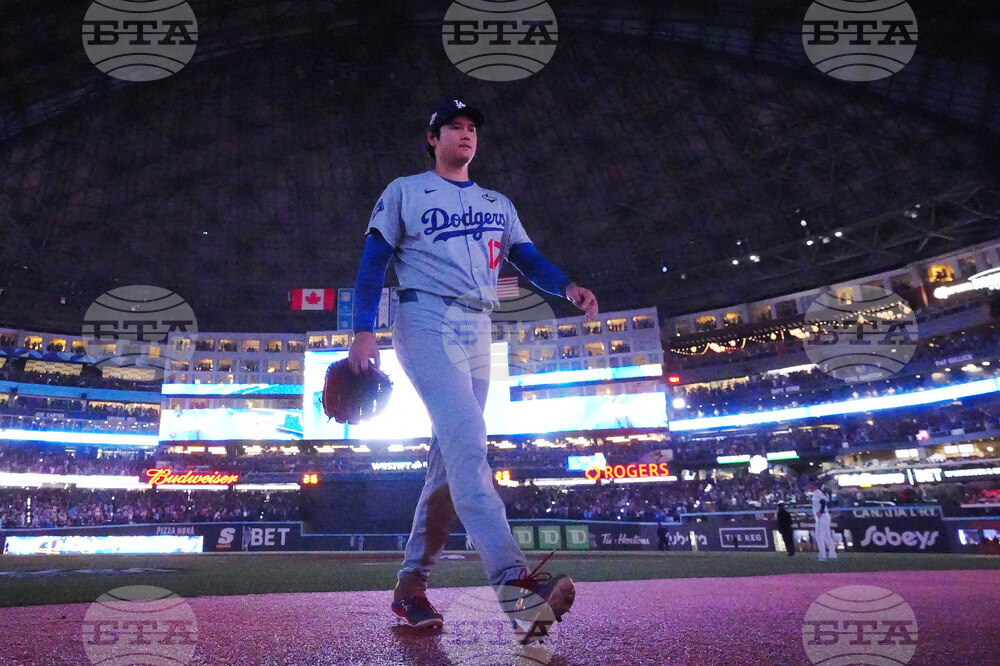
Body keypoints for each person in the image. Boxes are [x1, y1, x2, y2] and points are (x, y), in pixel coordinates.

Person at [347, 99, 599, 632]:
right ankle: (516, 587)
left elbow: (526, 258)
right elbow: (373, 263)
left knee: (450, 461)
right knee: (468, 441)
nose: (465, 134)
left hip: (480, 327)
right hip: (425, 318)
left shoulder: (497, 202)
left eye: (471, 128)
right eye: (453, 127)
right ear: (432, 139)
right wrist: (363, 329)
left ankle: (409, 588)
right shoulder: (405, 190)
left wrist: (566, 286)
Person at [810, 481, 838, 561]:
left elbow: (823, 501)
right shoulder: (819, 492)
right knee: (827, 536)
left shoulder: (817, 492)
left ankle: (822, 556)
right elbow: (826, 500)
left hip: (821, 516)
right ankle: (832, 555)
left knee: (819, 536)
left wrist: (820, 512)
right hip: (825, 516)